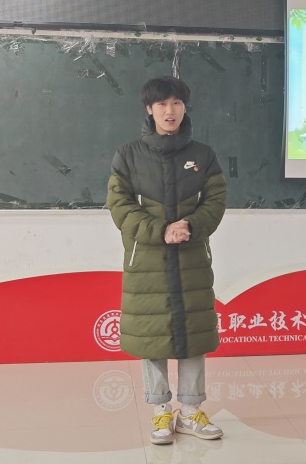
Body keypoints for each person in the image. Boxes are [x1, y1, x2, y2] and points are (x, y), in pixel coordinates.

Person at [107, 76, 227, 444]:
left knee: (193, 333)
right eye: (162, 104)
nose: (169, 110)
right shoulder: (128, 154)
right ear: (149, 108)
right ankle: (161, 411)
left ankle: (190, 411)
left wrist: (191, 226)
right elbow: (119, 205)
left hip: (191, 256)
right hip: (147, 259)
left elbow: (216, 199)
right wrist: (160, 230)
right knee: (151, 334)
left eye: (176, 103)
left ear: (184, 107)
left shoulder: (203, 155)